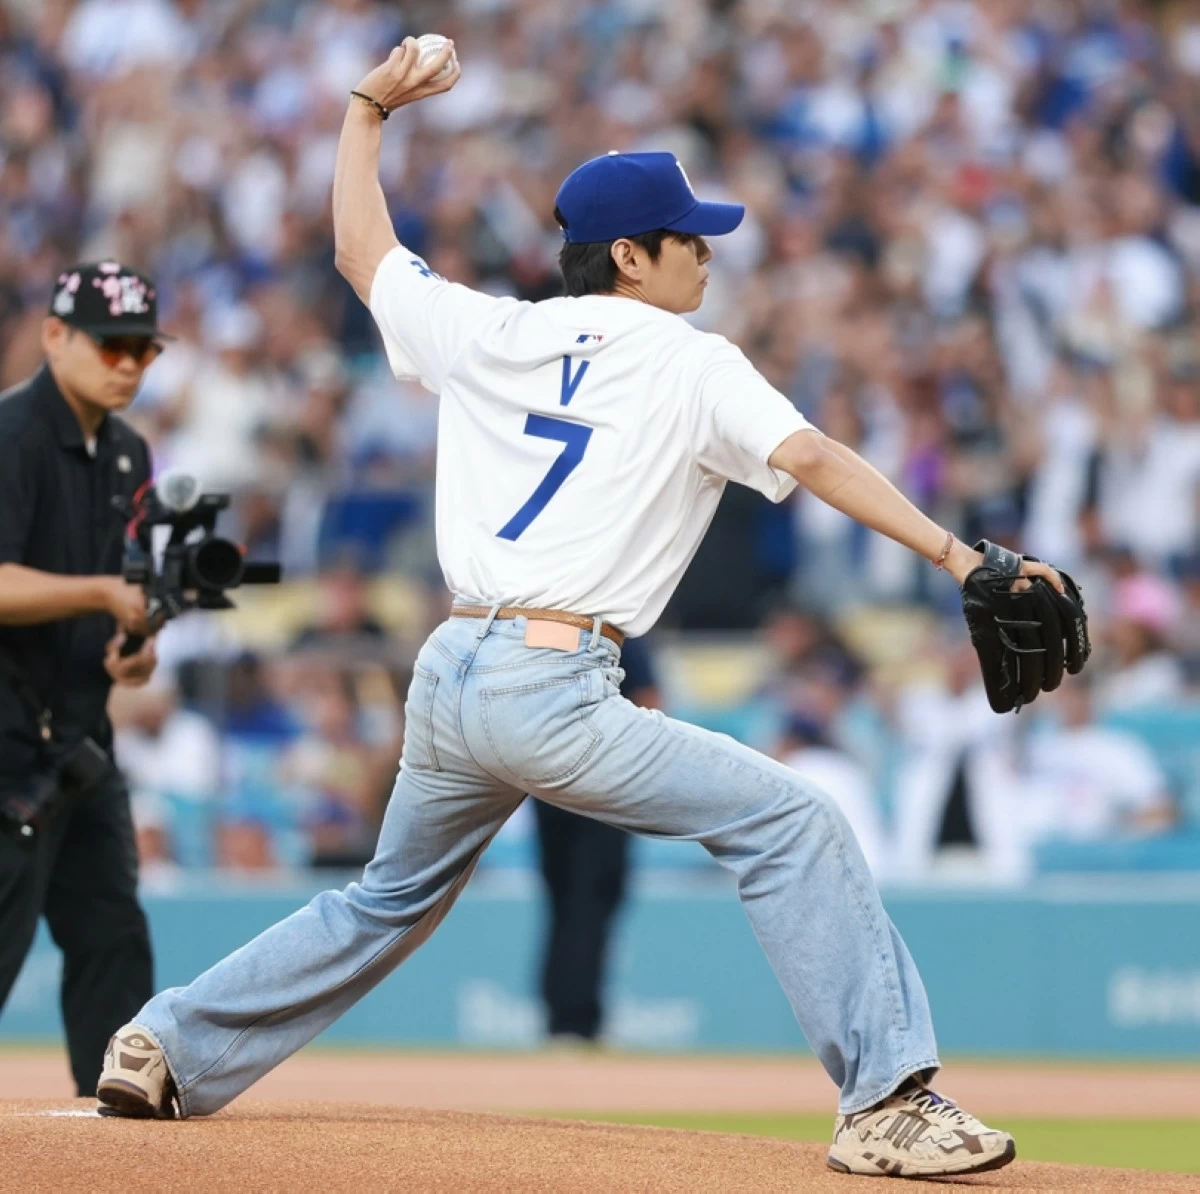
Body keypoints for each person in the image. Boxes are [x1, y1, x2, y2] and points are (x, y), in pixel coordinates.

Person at [97, 41, 1068, 1179]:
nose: (705, 255)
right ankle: (888, 1103)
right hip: (554, 682)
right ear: (630, 256)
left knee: (386, 898)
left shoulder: (493, 330)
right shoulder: (692, 359)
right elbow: (810, 455)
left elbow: (361, 249)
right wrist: (959, 557)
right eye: (688, 237)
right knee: (791, 823)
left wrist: (367, 110)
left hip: (452, 669)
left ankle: (164, 1042)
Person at [0, 261, 165, 1096]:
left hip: (80, 744)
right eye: (111, 345)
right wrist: (102, 593)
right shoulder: (11, 436)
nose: (129, 363)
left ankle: (119, 1142)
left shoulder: (128, 452)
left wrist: (133, 646)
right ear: (54, 335)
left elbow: (127, 599)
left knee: (112, 940)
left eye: (143, 349)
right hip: (4, 748)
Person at [533, 634, 660, 1044]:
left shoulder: (544, 630)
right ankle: (576, 1020)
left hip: (548, 781)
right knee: (591, 905)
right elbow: (650, 704)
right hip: (605, 785)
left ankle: (561, 1017)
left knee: (563, 904)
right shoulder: (621, 633)